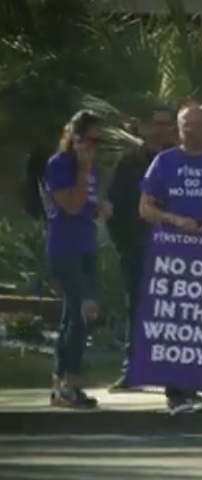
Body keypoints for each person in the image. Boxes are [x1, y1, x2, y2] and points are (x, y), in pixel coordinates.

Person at [138, 102, 202, 415]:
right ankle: (178, 392)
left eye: (197, 125)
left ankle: (194, 387)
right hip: (171, 252)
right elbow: (145, 207)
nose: (191, 131)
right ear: (178, 129)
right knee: (175, 319)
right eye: (186, 126)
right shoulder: (164, 161)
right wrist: (172, 219)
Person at [41, 110, 111, 409]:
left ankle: (65, 385)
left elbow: (84, 206)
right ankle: (66, 384)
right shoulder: (59, 165)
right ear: (75, 137)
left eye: (99, 141)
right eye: (90, 140)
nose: (95, 147)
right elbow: (69, 206)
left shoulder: (91, 168)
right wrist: (82, 170)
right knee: (81, 312)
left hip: (86, 245)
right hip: (64, 248)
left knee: (82, 315)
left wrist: (100, 208)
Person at [107, 105, 177, 392]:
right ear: (144, 128)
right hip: (138, 246)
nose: (163, 130)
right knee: (137, 307)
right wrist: (125, 244)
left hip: (177, 250)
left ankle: (178, 376)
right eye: (157, 124)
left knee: (175, 311)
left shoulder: (181, 162)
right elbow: (115, 205)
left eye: (168, 124)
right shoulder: (129, 163)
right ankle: (133, 370)